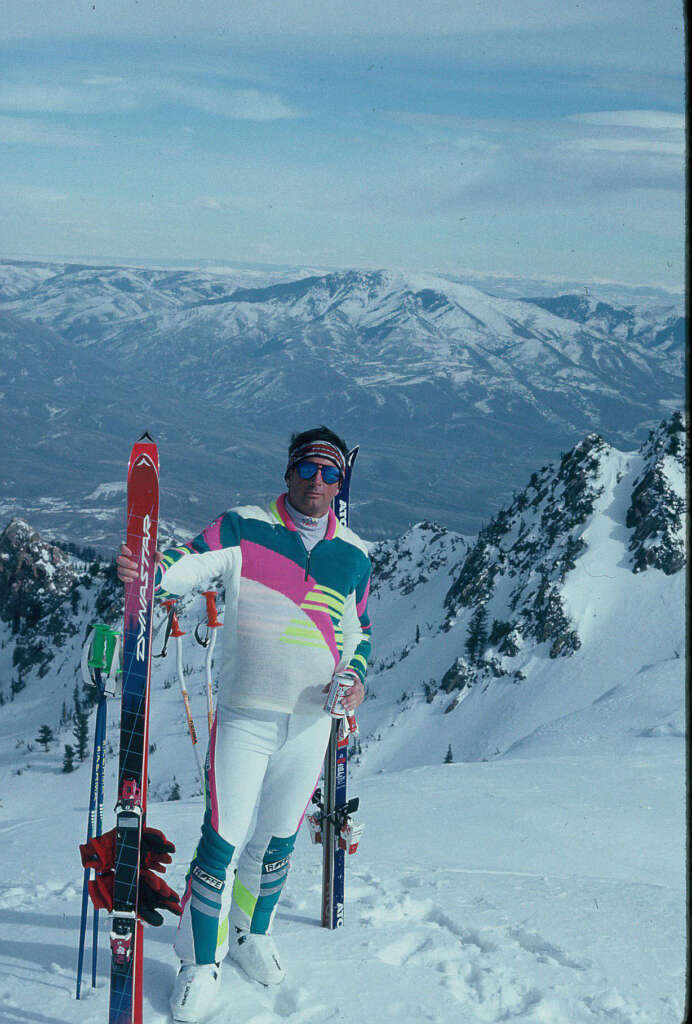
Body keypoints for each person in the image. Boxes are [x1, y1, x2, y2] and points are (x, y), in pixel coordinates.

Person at [117, 426, 372, 1022]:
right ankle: (198, 960)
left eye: (330, 472)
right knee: (223, 839)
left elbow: (359, 631)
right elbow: (183, 565)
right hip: (246, 717)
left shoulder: (354, 555)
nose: (317, 481)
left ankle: (252, 932)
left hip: (311, 724)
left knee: (279, 839)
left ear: (340, 484)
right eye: (307, 468)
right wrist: (146, 571)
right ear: (289, 472)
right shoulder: (244, 527)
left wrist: (356, 678)